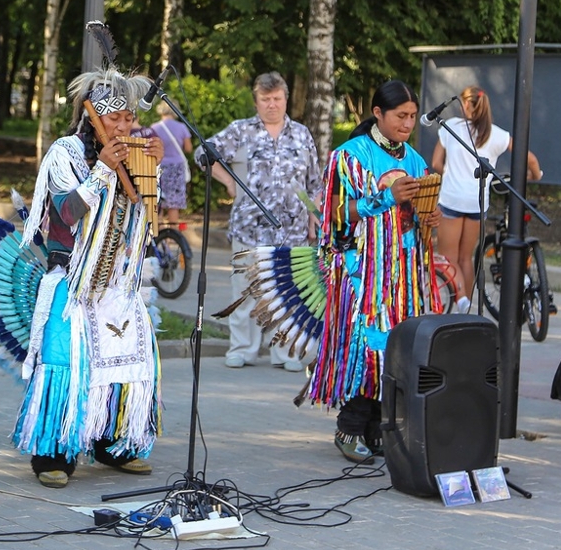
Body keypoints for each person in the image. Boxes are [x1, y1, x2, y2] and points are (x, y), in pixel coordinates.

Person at [13, 66, 165, 489]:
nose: (122, 126)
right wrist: (102, 170)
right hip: (72, 281)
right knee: (64, 363)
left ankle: (112, 441)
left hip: (119, 280)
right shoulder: (66, 152)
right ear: (91, 115)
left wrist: (154, 170)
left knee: (130, 360)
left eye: (128, 118)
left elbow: (144, 216)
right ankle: (54, 452)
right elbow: (65, 211)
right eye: (113, 117)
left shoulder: (133, 153)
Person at [309, 80, 442, 463]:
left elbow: (418, 220)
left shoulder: (415, 160)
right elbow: (333, 218)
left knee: (398, 349)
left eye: (413, 116)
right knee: (368, 347)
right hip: (363, 273)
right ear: (378, 114)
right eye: (401, 116)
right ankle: (349, 428)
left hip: (405, 273)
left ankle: (377, 427)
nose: (408, 123)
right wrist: (385, 198)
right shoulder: (348, 157)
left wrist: (429, 217)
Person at [194, 72, 322, 372]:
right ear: (256, 101)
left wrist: (315, 215)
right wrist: (228, 182)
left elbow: (316, 181)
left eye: (277, 99)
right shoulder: (241, 131)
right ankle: (242, 348)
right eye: (265, 99)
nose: (272, 105)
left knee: (288, 294)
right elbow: (203, 153)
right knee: (245, 292)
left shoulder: (302, 134)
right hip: (249, 227)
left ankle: (286, 352)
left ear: (286, 99)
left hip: (293, 230)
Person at [430, 85, 542, 313]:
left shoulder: (450, 127)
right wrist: (534, 175)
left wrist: (451, 173)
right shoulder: (496, 134)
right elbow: (529, 158)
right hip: (477, 202)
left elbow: (436, 163)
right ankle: (466, 305)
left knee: (448, 257)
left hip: (451, 199)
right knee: (465, 257)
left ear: (467, 105)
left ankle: (459, 298)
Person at [151, 101, 193, 227]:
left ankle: (158, 236)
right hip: (177, 168)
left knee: (158, 200)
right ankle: (172, 235)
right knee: (173, 203)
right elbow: (189, 148)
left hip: (159, 167)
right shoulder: (182, 127)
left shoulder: (154, 128)